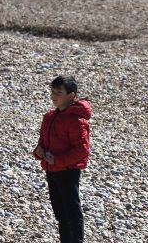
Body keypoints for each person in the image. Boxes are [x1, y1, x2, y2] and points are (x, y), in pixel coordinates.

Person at [33, 75, 92, 243]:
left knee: (72, 212)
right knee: (60, 213)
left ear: (71, 95)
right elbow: (42, 143)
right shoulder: (49, 117)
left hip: (67, 171)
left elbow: (82, 150)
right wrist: (38, 152)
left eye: (58, 92)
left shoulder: (76, 120)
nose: (53, 96)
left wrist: (56, 160)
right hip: (52, 171)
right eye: (52, 91)